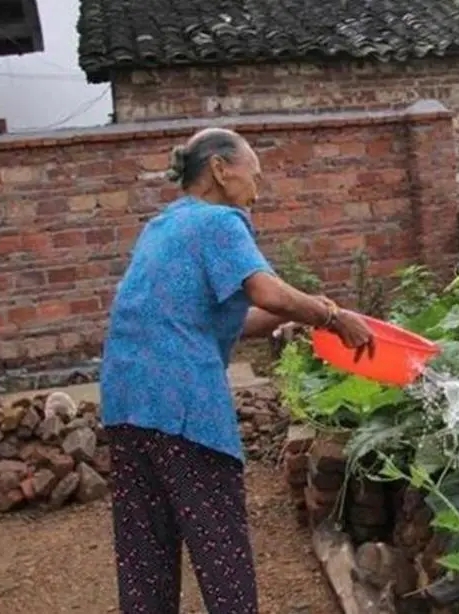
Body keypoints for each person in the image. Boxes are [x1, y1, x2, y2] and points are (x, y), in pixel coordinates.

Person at [98, 127, 375, 614]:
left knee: (146, 552)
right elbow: (266, 291)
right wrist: (331, 316)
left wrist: (305, 312)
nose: (258, 188)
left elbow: (229, 317)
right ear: (221, 170)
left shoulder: (162, 226)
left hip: (127, 404)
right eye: (255, 174)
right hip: (183, 406)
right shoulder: (220, 221)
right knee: (220, 550)